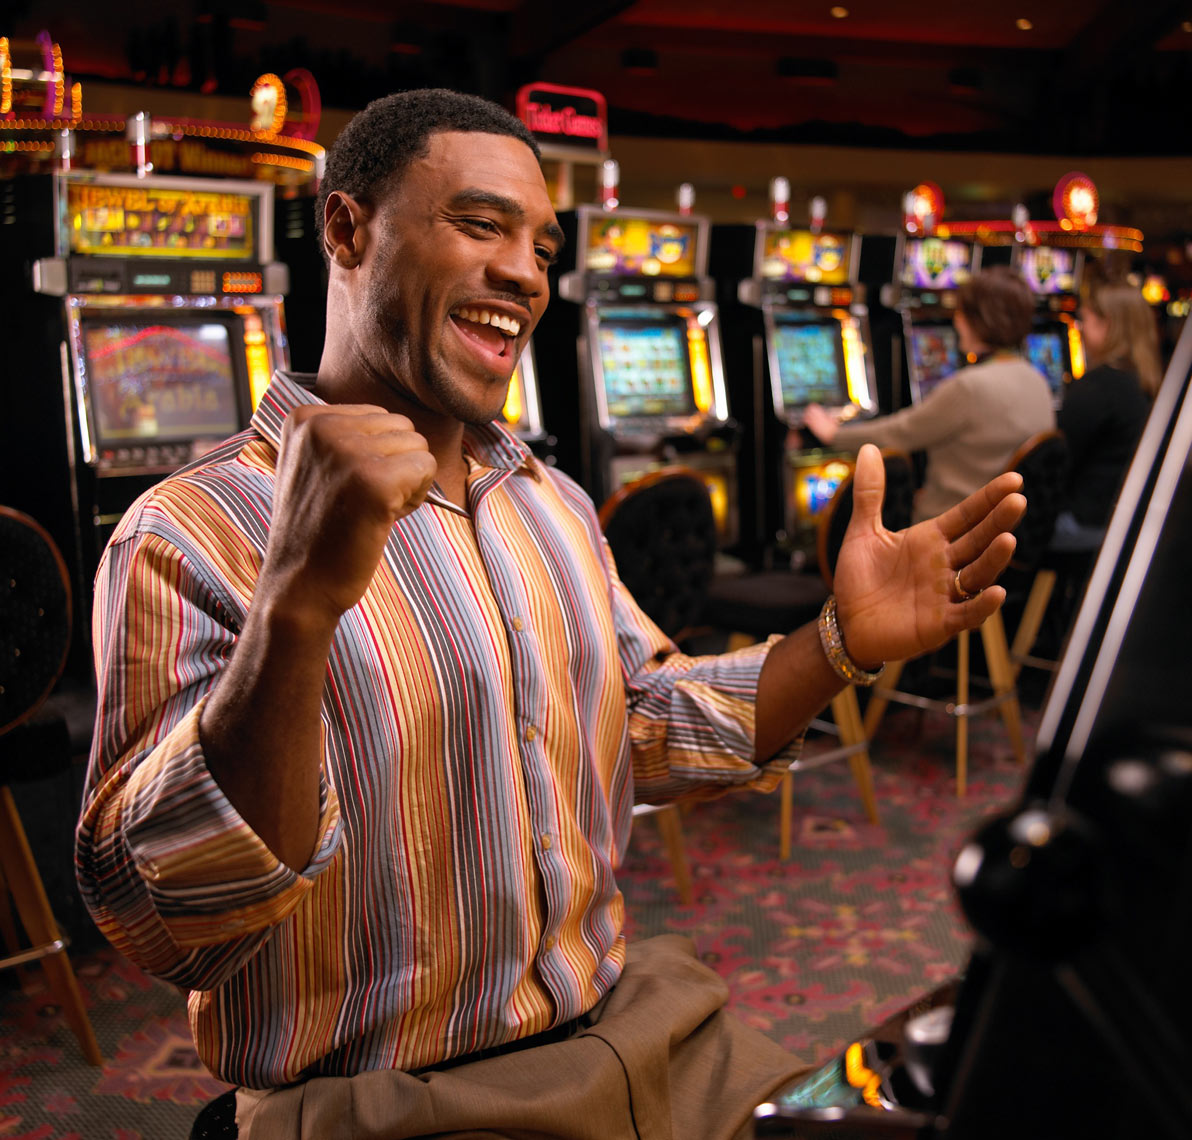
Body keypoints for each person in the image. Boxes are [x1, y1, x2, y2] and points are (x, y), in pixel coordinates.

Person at [75, 90, 1026, 1140]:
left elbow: (647, 722)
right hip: (388, 1097)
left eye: (541, 244)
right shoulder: (189, 527)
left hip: (636, 1027)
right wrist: (296, 606)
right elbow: (165, 921)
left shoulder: (550, 502)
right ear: (346, 229)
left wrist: (837, 645)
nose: (526, 273)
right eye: (480, 225)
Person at [804, 265, 1055, 523]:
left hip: (950, 529)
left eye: (961, 311)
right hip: (1004, 527)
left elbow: (899, 433)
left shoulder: (969, 388)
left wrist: (834, 434)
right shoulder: (1039, 382)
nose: (956, 320)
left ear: (978, 320)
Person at [1049, 276, 1161, 551]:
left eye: (1084, 320)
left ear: (1107, 323)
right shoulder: (1146, 381)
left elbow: (1056, 463)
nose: (1080, 330)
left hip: (1085, 524)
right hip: (1120, 519)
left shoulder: (1098, 387)